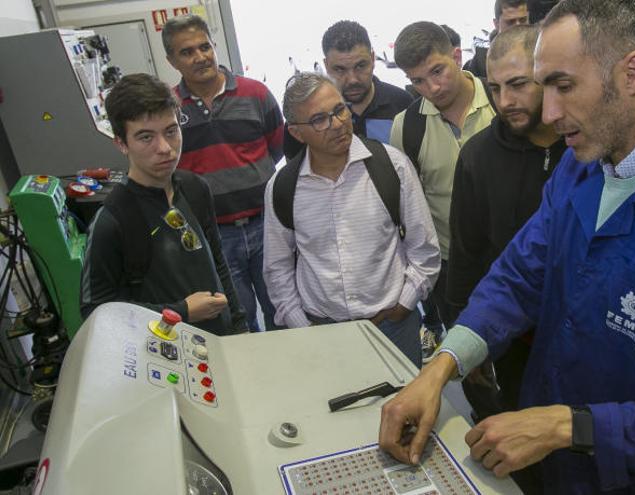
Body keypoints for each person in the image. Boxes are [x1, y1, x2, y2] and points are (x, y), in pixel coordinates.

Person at [379, 1, 635, 493]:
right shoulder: (581, 169)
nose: (549, 112)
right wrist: (442, 367)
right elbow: (519, 276)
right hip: (542, 461)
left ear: (634, 72)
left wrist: (569, 427)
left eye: (563, 85)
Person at [448, 24, 565, 494]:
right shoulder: (478, 156)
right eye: (495, 87)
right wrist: (464, 343)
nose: (505, 100)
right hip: (510, 337)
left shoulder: (585, 151)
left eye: (518, 84)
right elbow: (466, 253)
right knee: (518, 453)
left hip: (580, 338)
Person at [263, 72, 440, 368]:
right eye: (319, 119)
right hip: (322, 334)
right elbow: (277, 267)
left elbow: (424, 248)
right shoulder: (283, 187)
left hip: (393, 327)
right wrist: (301, 325)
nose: (337, 124)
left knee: (405, 409)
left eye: (339, 110)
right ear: (296, 132)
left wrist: (404, 303)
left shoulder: (392, 166)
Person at [80, 73, 247, 336]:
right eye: (146, 137)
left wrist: (240, 327)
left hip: (220, 339)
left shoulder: (195, 188)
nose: (165, 148)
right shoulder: (112, 220)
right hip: (163, 353)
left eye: (171, 131)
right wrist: (181, 311)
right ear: (122, 144)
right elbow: (95, 312)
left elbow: (218, 263)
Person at [162, 14, 283, 331]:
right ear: (172, 60)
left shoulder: (255, 94)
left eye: (204, 47)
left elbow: (278, 147)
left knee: (283, 311)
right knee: (237, 320)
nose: (200, 57)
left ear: (215, 46)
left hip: (266, 226)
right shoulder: (169, 108)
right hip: (213, 236)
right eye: (187, 52)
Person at [390, 21, 496, 358]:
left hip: (515, 255)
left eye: (438, 71)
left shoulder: (501, 99)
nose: (432, 88)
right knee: (467, 360)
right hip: (451, 268)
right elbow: (409, 208)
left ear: (456, 55)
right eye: (417, 81)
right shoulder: (407, 127)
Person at [284, 21, 415, 161]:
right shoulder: (306, 117)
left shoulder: (403, 105)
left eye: (360, 66)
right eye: (340, 69)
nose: (352, 80)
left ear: (372, 59)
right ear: (326, 65)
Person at [463, 0, 530, 78]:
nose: (518, 27)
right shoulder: (480, 64)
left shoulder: (539, 54)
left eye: (523, 20)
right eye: (510, 22)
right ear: (496, 24)